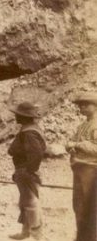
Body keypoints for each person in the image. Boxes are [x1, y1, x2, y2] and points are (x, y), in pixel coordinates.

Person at [8, 101, 46, 240]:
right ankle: (25, 232)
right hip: (23, 170)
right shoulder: (29, 128)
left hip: (26, 171)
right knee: (25, 202)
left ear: (24, 117)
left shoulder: (29, 132)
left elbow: (36, 153)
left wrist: (28, 171)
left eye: (18, 114)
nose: (16, 116)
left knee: (31, 202)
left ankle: (38, 236)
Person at [68, 92, 97, 241]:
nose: (82, 107)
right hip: (79, 168)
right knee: (78, 205)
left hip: (92, 170)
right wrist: (70, 147)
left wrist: (78, 145)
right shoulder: (82, 126)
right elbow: (70, 142)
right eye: (80, 105)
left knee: (90, 207)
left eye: (86, 104)